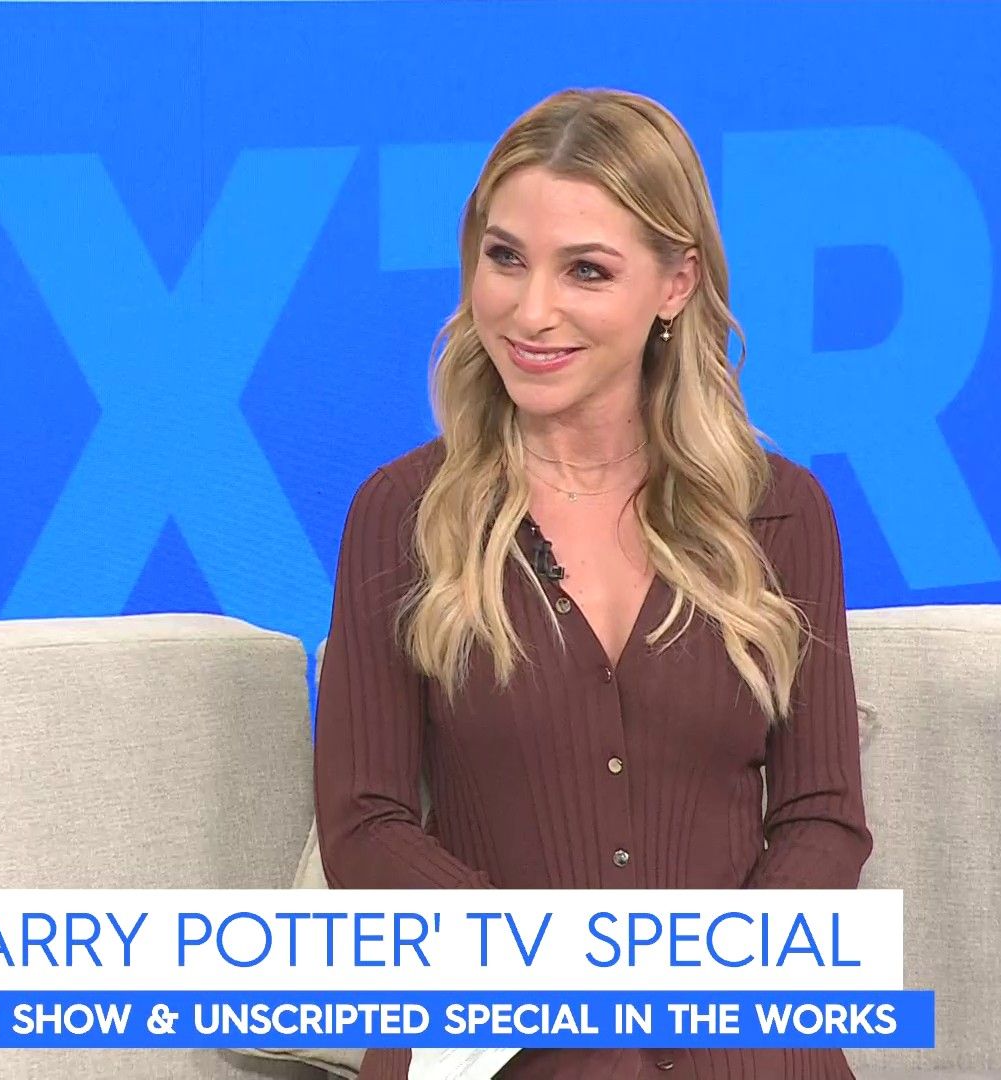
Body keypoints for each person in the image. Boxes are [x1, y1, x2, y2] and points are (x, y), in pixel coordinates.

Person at [313, 87, 872, 1080]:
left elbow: (822, 818)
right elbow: (366, 826)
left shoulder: (781, 513)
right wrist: (566, 981)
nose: (531, 311)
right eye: (505, 258)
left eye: (586, 270)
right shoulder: (402, 513)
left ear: (675, 284)